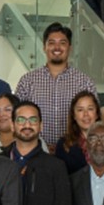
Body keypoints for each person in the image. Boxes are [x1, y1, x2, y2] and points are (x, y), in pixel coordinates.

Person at [13, 23, 99, 151]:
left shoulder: (85, 82)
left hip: (74, 152)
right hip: (35, 152)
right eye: (52, 43)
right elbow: (16, 118)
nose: (57, 47)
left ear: (70, 48)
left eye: (62, 43)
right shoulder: (27, 81)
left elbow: (94, 121)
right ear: (44, 47)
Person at [57, 92, 104, 172]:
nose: (86, 114)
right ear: (74, 116)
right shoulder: (63, 144)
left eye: (90, 109)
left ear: (97, 114)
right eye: (80, 110)